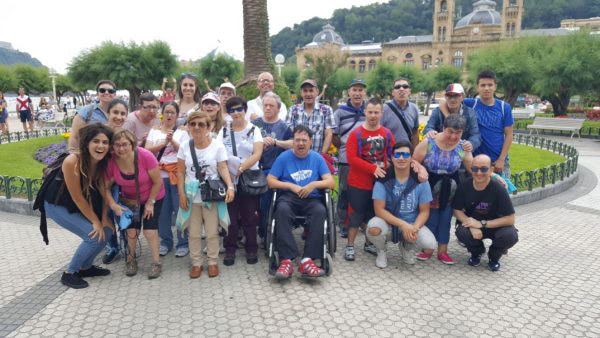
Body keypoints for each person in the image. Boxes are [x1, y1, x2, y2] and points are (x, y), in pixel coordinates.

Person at [43, 124, 114, 289]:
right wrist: (95, 222)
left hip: (77, 204)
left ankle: (86, 268)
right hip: (57, 204)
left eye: (105, 142)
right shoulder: (72, 161)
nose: (101, 146)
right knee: (93, 236)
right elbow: (77, 197)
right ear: (87, 143)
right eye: (96, 141)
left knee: (108, 231)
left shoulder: (102, 162)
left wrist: (103, 219)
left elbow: (104, 192)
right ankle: (70, 273)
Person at [267, 125, 336, 279]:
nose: (300, 143)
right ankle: (286, 260)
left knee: (320, 212)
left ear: (310, 142)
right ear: (293, 141)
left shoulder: (317, 158)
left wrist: (313, 185)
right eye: (297, 140)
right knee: (282, 210)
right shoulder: (284, 157)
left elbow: (330, 182)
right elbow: (270, 181)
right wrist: (291, 186)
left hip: (311, 198)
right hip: (289, 197)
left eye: (304, 140)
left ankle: (307, 260)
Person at [177, 111, 235, 278]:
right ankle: (196, 263)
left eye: (201, 124)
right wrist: (181, 194)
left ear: (209, 127)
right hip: (190, 196)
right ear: (188, 126)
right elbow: (180, 173)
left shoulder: (217, 145)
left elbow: (223, 168)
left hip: (211, 195)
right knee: (194, 233)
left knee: (211, 232)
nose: (196, 127)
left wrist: (230, 187)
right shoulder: (184, 146)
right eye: (193, 124)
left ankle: (212, 262)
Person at [412, 114, 473, 265]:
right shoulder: (429, 141)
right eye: (450, 131)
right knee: (430, 218)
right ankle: (427, 249)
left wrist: (493, 177)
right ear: (443, 128)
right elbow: (413, 160)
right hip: (429, 185)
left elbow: (474, 168)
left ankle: (443, 251)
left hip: (450, 188)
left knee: (446, 220)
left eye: (457, 133)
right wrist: (420, 168)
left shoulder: (463, 146)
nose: (453, 136)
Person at [105, 129, 166, 279]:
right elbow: (104, 186)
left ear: (132, 144)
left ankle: (156, 263)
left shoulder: (145, 156)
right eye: (117, 145)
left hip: (153, 196)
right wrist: (113, 204)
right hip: (130, 200)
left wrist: (150, 203)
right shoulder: (112, 161)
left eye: (125, 144)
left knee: (149, 232)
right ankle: (131, 260)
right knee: (131, 232)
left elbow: (158, 182)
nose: (121, 148)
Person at [366, 141, 436, 268]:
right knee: (373, 229)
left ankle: (407, 248)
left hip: (411, 222)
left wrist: (415, 227)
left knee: (430, 244)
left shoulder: (421, 180)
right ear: (392, 158)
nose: (402, 158)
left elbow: (425, 211)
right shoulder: (384, 178)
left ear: (411, 158)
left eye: (405, 155)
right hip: (388, 223)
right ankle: (381, 251)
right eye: (397, 155)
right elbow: (379, 210)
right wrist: (403, 225)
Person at [344, 97, 395, 261]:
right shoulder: (356, 134)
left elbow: (393, 154)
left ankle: (369, 243)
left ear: (381, 113)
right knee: (355, 215)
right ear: (365, 112)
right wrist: (372, 168)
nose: (373, 115)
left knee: (373, 215)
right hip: (359, 182)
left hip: (380, 183)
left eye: (376, 112)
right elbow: (351, 158)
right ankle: (350, 245)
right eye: (370, 112)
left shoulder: (387, 133)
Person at [217, 96, 264, 266]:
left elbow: (257, 154)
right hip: (228, 180)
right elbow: (219, 154)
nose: (236, 113)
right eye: (232, 110)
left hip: (248, 179)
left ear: (245, 110)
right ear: (228, 113)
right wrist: (230, 176)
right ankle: (230, 250)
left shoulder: (254, 130)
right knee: (230, 218)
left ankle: (251, 248)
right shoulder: (222, 132)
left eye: (239, 109)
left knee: (249, 217)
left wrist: (241, 169)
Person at [439, 70, 513, 177]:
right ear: (477, 87)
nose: (486, 88)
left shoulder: (504, 107)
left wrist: (501, 159)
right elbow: (443, 101)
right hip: (476, 161)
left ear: (495, 87)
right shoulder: (471, 103)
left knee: (500, 191)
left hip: (497, 160)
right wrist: (449, 118)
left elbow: (509, 135)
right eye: (483, 85)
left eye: (490, 85)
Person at [453, 154, 518, 272]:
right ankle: (477, 252)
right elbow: (456, 210)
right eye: (475, 169)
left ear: (491, 170)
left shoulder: (499, 189)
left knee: (510, 235)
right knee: (462, 232)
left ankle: (494, 257)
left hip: (495, 226)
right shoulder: (464, 186)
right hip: (474, 225)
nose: (479, 173)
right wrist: (471, 225)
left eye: (483, 169)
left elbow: (511, 219)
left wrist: (482, 224)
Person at [145, 101, 191, 258]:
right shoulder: (154, 131)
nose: (170, 115)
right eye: (167, 112)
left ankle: (183, 242)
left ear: (177, 115)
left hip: (178, 175)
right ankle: (165, 241)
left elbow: (185, 152)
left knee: (181, 209)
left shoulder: (182, 133)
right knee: (163, 212)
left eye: (173, 112)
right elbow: (147, 151)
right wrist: (164, 143)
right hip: (159, 177)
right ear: (162, 113)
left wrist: (172, 141)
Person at [252, 91, 293, 240]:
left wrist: (276, 142)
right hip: (254, 170)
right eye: (265, 105)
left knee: (266, 205)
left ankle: (266, 234)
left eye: (271, 105)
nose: (268, 108)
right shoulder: (255, 124)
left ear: (278, 108)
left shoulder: (283, 127)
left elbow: (293, 143)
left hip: (273, 172)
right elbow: (245, 143)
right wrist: (259, 144)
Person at [332, 78, 367, 241]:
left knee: (363, 192)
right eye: (355, 90)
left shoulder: (369, 110)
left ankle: (361, 221)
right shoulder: (340, 112)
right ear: (349, 92)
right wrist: (346, 148)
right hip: (347, 158)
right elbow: (334, 136)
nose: (358, 93)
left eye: (361, 90)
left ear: (364, 93)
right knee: (345, 191)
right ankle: (343, 224)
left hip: (367, 159)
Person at [101, 98, 130, 264]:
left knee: (120, 211)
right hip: (101, 179)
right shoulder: (101, 132)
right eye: (115, 113)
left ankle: (127, 245)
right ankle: (112, 246)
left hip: (118, 179)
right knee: (105, 213)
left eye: (123, 113)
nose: (119, 117)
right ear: (108, 113)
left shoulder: (124, 135)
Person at [423, 83, 480, 153]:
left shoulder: (470, 113)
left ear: (462, 97)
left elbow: (475, 134)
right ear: (445, 97)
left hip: (461, 152)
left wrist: (471, 144)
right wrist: (430, 132)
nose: (452, 99)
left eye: (456, 96)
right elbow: (428, 127)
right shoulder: (437, 111)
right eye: (449, 96)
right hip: (439, 151)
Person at [286, 79, 334, 155]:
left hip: (318, 157)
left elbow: (329, 134)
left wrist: (321, 156)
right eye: (305, 91)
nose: (308, 94)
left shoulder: (326, 110)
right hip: (297, 157)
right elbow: (290, 135)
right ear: (301, 93)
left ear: (317, 92)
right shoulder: (293, 110)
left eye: (311, 90)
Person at [68, 80, 117, 153]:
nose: (106, 93)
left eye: (110, 91)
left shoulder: (119, 113)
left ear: (114, 94)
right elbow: (75, 136)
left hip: (111, 156)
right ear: (97, 94)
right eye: (102, 90)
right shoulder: (86, 111)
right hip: (89, 155)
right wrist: (75, 154)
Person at [381, 78, 420, 147]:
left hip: (407, 154)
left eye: (405, 86)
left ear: (409, 91)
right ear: (393, 92)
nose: (401, 89)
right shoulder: (383, 109)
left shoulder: (414, 109)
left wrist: (415, 152)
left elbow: (415, 133)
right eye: (397, 87)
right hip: (389, 153)